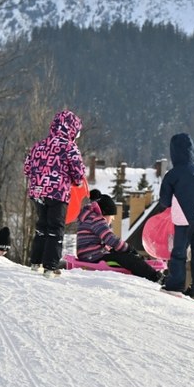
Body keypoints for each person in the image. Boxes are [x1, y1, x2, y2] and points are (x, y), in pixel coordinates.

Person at [24, 110, 86, 276]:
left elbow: (27, 168)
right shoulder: (69, 147)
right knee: (55, 228)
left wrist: (38, 179)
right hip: (57, 192)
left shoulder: (39, 145)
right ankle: (50, 266)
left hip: (37, 192)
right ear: (71, 129)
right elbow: (78, 173)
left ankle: (35, 262)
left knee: (41, 226)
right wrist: (76, 181)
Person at [158, 133, 194, 302]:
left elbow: (164, 200)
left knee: (179, 253)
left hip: (183, 219)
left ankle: (175, 286)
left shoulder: (173, 174)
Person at [77, 194, 164, 283]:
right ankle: (155, 277)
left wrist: (114, 249)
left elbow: (99, 242)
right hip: (93, 255)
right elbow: (110, 238)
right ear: (105, 213)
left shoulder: (90, 218)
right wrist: (128, 248)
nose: (113, 219)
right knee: (128, 259)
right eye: (112, 216)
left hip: (88, 254)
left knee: (120, 254)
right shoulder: (97, 219)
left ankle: (144, 266)